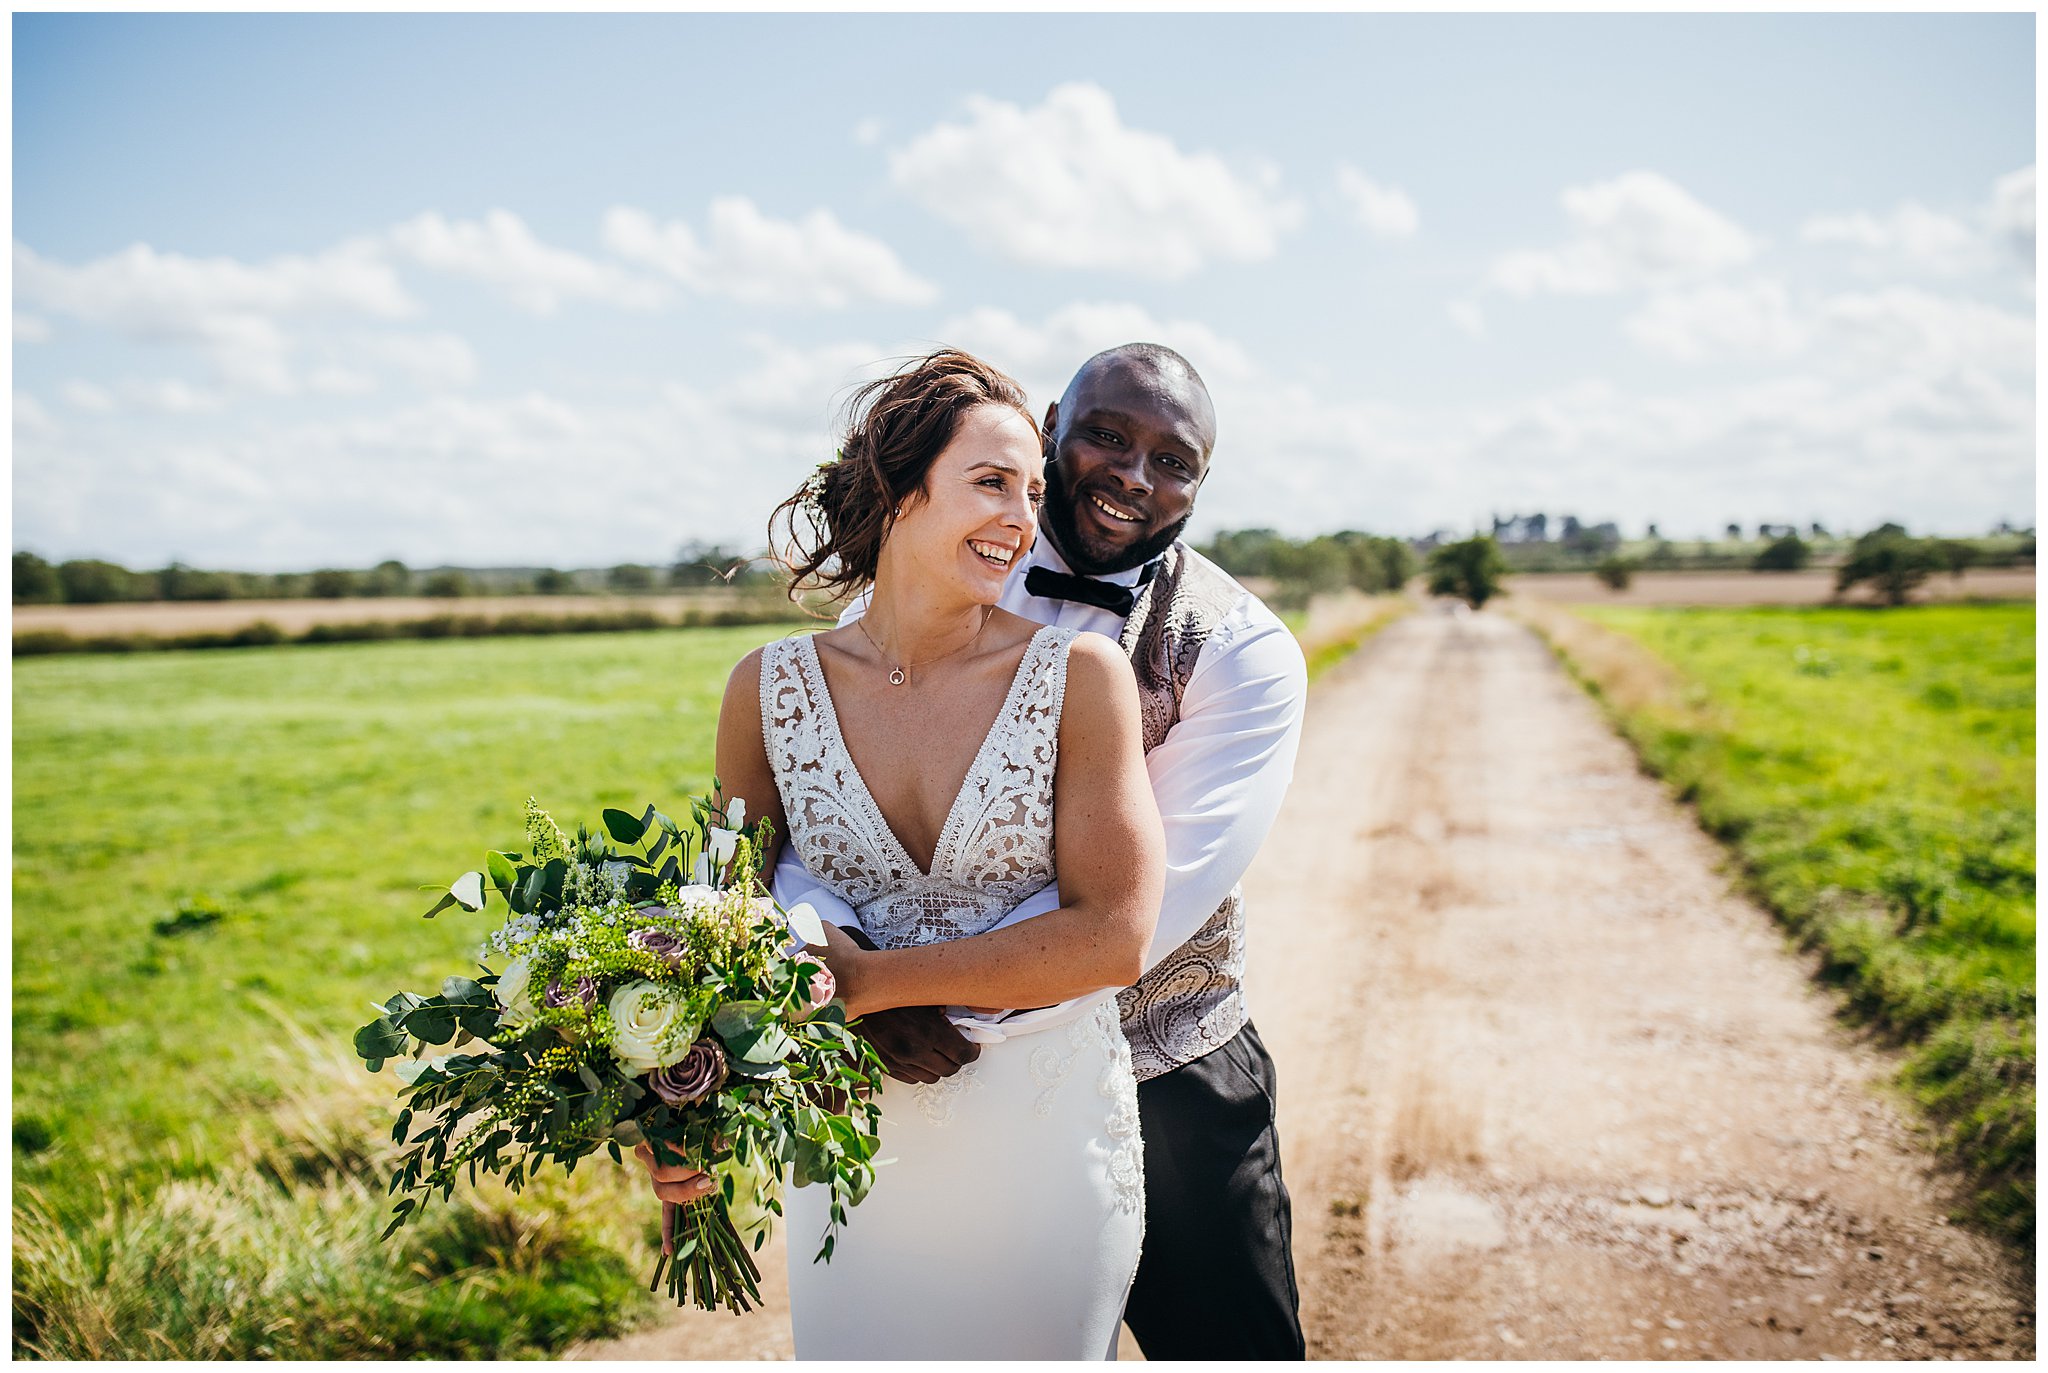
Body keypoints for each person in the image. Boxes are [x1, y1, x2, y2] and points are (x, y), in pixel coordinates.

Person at [774, 343, 1310, 1359]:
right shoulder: (923, 573)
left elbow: (1150, 908)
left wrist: (890, 986)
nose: (1132, 476)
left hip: (1165, 1073)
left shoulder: (1242, 649)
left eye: (1174, 460)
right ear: (1054, 423)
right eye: (1106, 435)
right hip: (905, 1075)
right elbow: (814, 819)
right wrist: (829, 953)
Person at [641, 348, 1165, 1360]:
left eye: (1031, 488)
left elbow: (1113, 933)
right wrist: (675, 1111)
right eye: (989, 482)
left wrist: (867, 981)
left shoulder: (1080, 676)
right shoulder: (766, 687)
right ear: (896, 488)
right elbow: (718, 917)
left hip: (1042, 1143)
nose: (1022, 517)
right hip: (847, 1157)